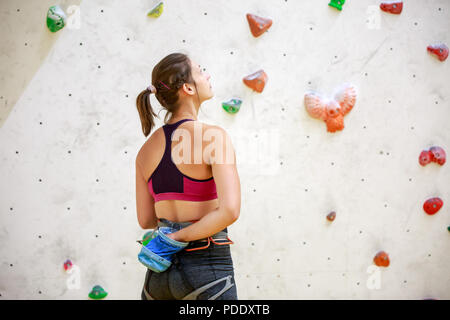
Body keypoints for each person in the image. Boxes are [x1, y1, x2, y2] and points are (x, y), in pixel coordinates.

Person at [135, 52, 241, 300]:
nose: (208, 75)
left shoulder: (145, 151)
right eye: (201, 71)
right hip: (207, 271)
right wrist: (180, 236)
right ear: (188, 88)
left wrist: (169, 236)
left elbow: (146, 219)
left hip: (158, 278)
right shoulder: (213, 137)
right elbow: (230, 211)